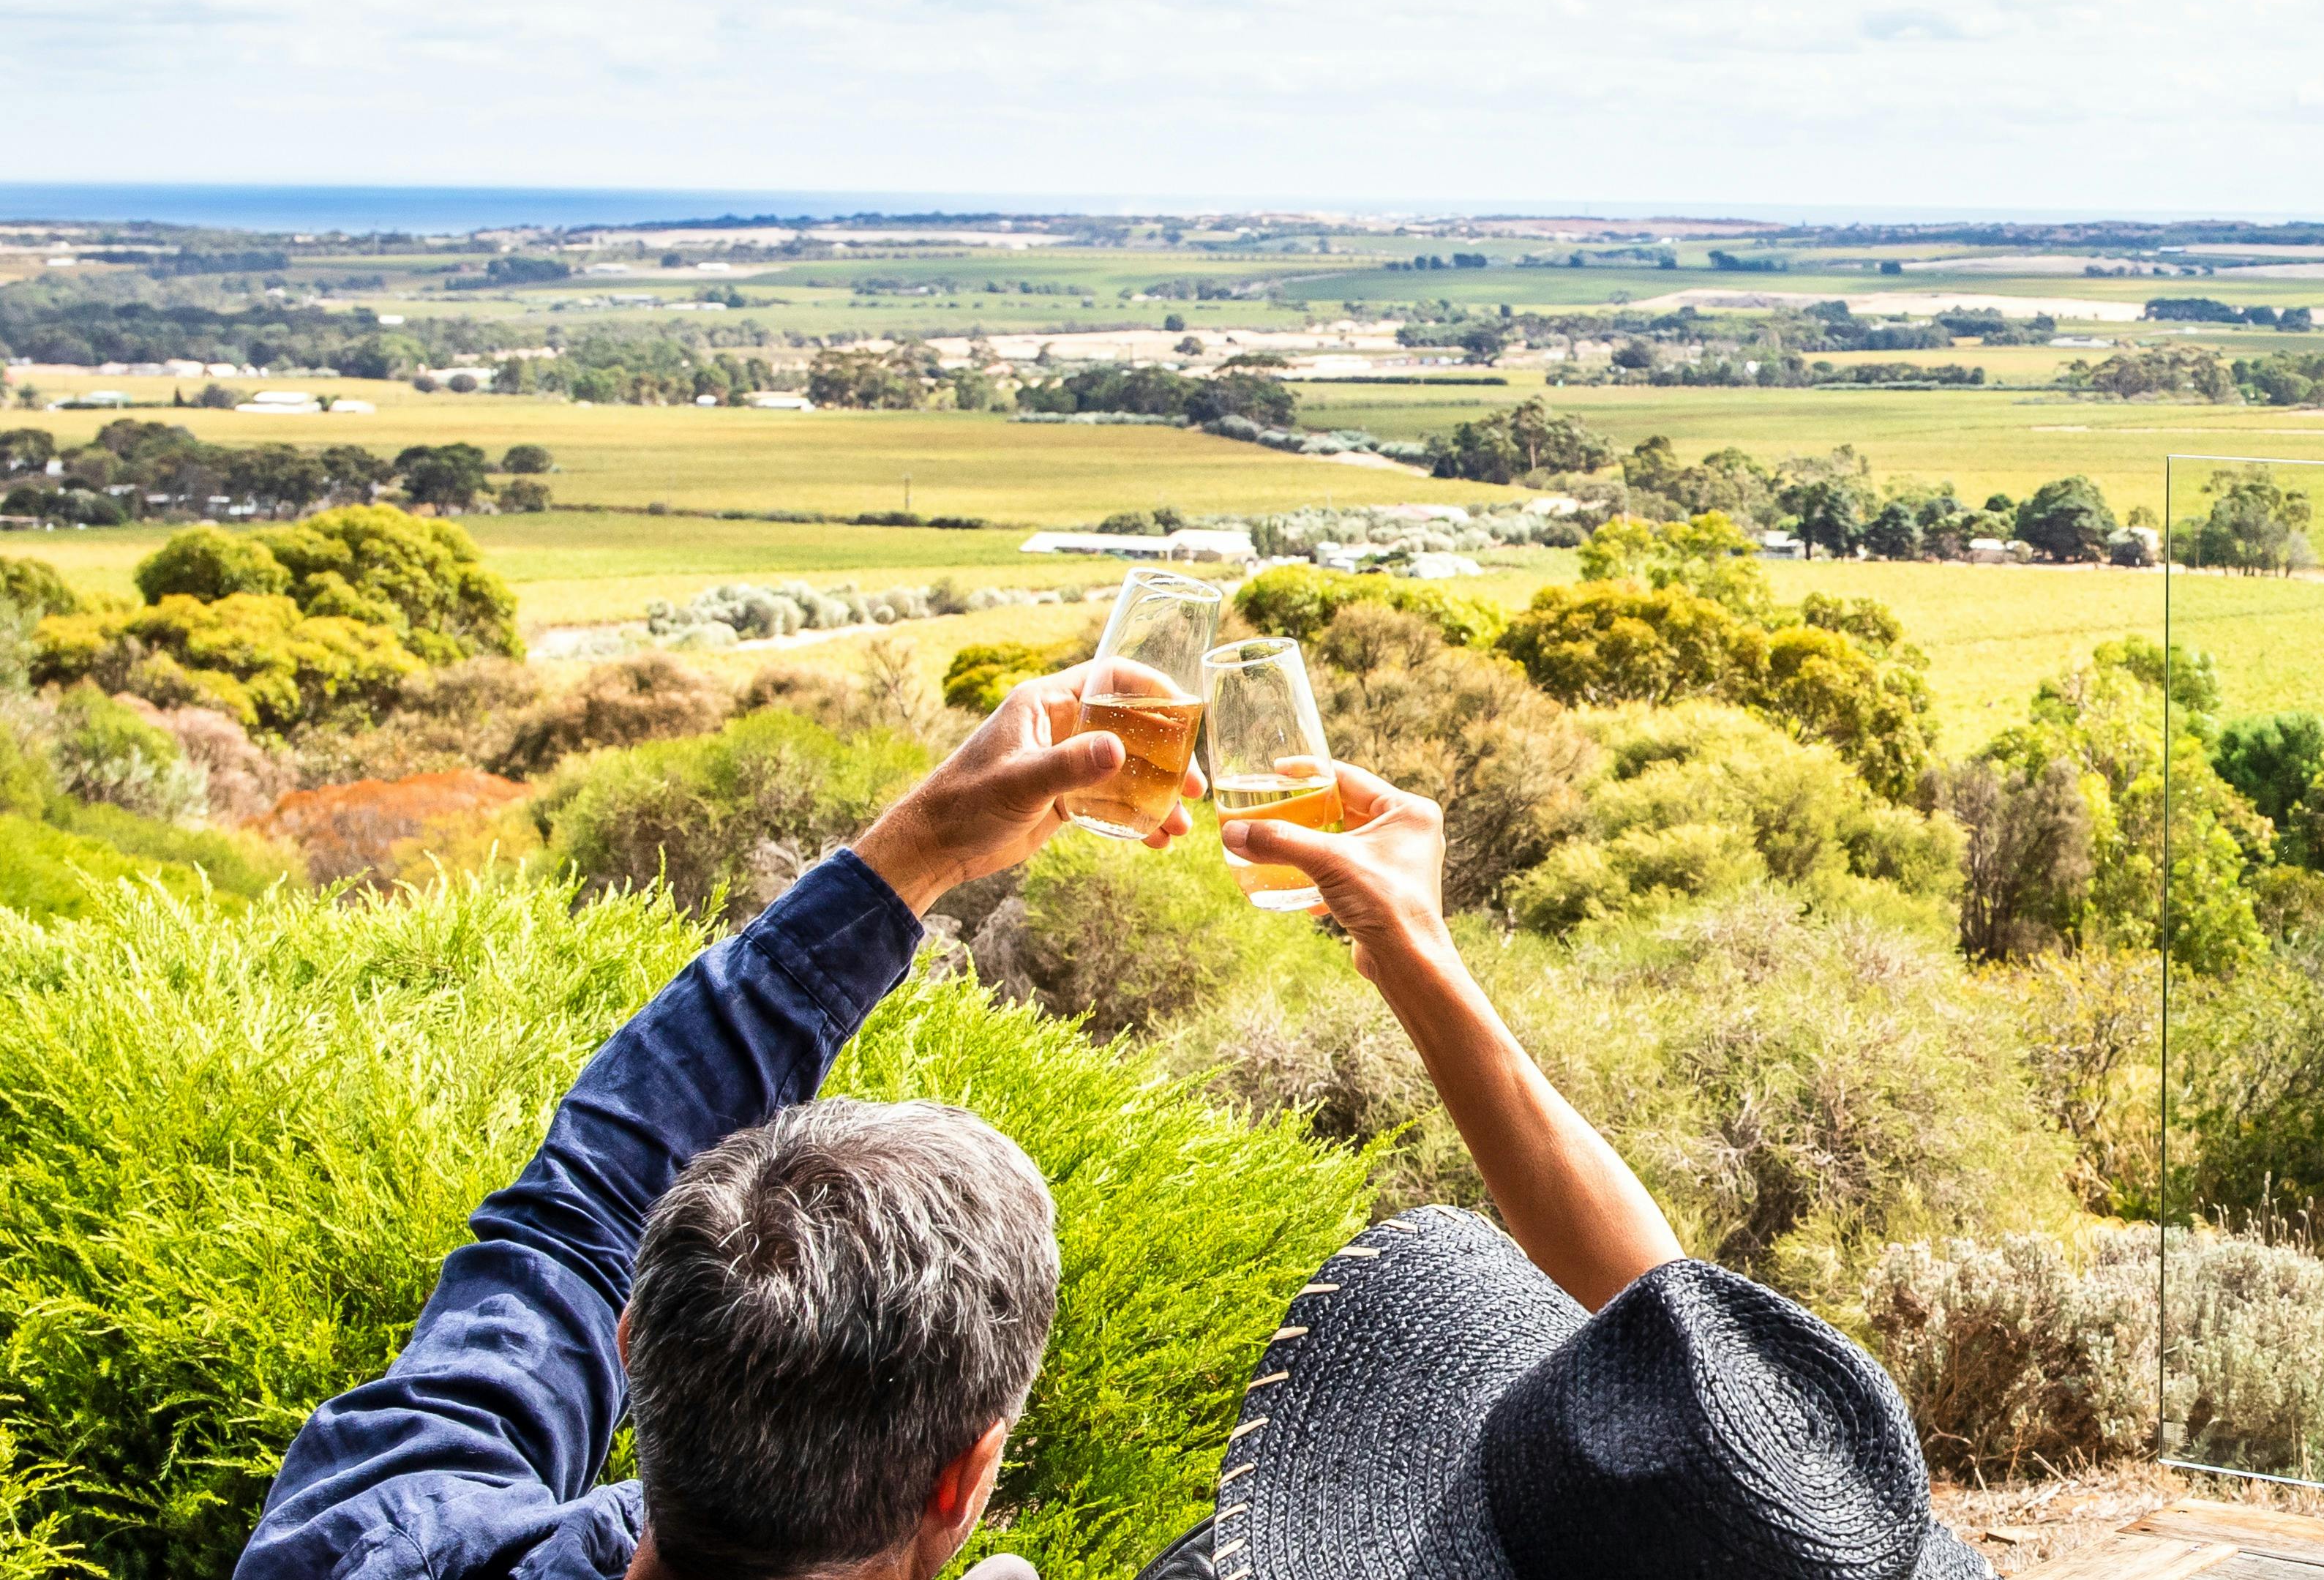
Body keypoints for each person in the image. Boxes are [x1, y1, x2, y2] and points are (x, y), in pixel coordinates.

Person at [240, 662, 1981, 1580]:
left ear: (634, 1341)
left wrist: (906, 854)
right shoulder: (1785, 1515)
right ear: (965, 1474)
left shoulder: (368, 1541)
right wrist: (1427, 965)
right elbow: (1720, 1430)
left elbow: (570, 1199)